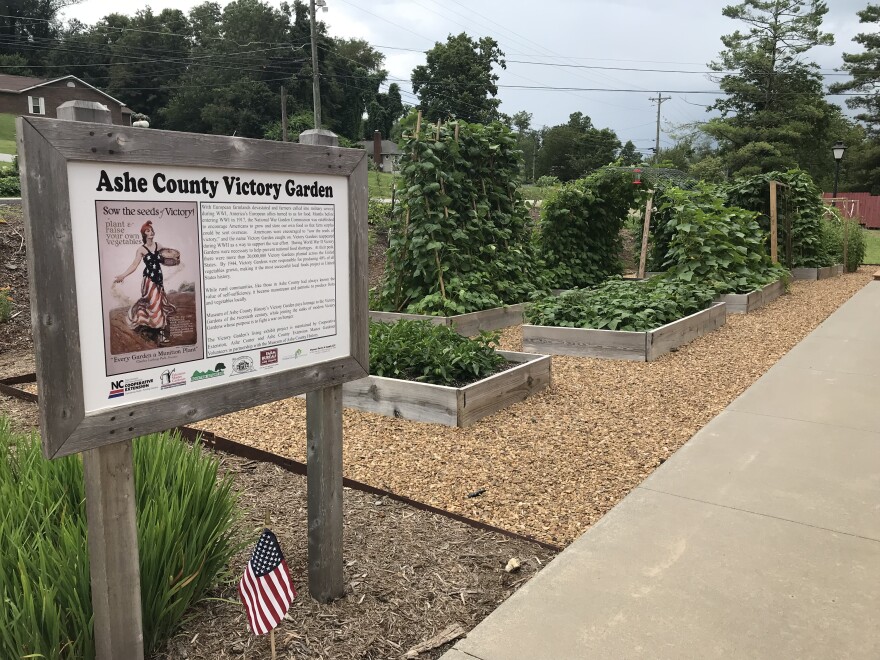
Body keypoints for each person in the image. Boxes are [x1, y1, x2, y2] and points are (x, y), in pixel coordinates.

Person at [115, 220, 176, 345]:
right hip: (148, 280)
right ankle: (157, 330)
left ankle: (160, 332)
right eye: (148, 231)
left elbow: (166, 258)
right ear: (144, 234)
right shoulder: (141, 250)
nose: (151, 232)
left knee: (159, 304)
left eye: (152, 230)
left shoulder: (159, 246)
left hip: (159, 279)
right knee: (153, 304)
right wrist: (123, 275)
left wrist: (173, 259)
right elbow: (134, 265)